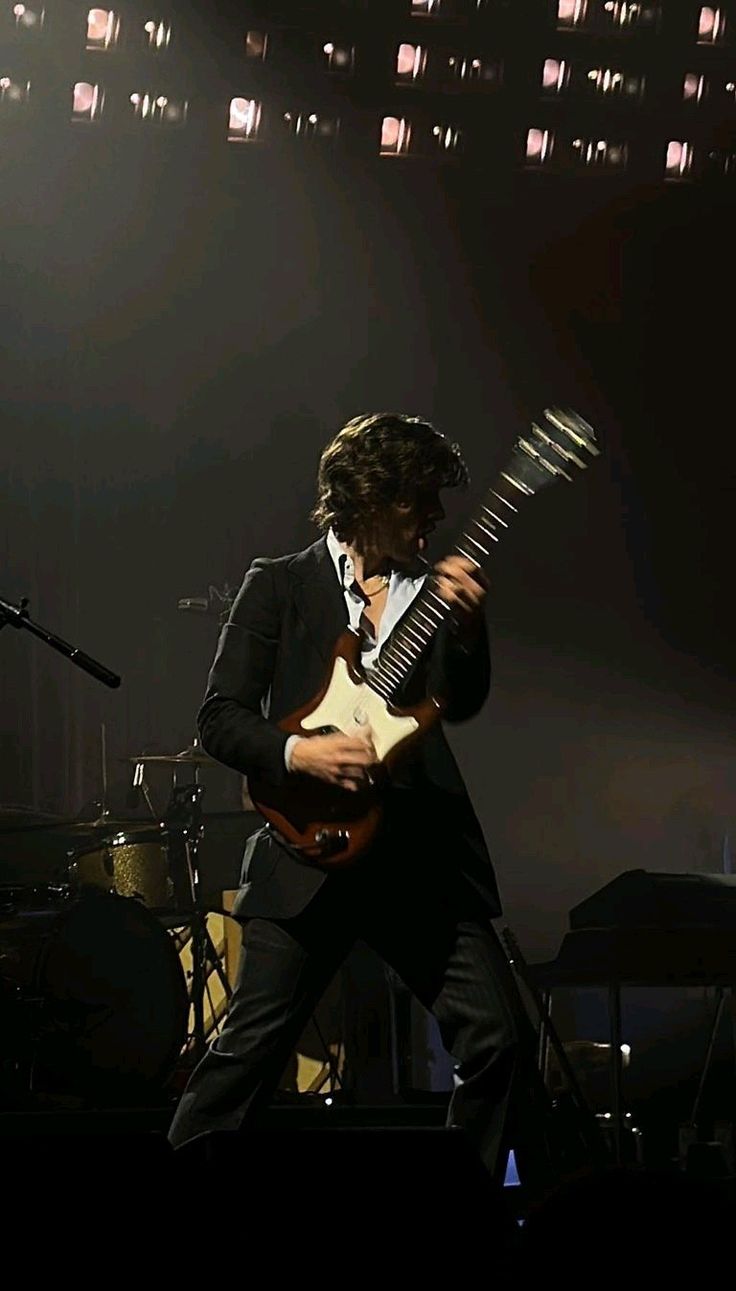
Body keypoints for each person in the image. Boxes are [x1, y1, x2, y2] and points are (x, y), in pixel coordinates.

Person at [167, 411, 560, 1203]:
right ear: (372, 499)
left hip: (415, 855)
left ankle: (461, 1214)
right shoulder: (279, 583)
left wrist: (472, 624)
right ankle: (172, 1210)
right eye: (420, 500)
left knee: (501, 1038)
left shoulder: (435, 594)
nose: (435, 518)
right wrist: (299, 751)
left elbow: (466, 697)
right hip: (307, 849)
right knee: (244, 1059)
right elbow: (218, 718)